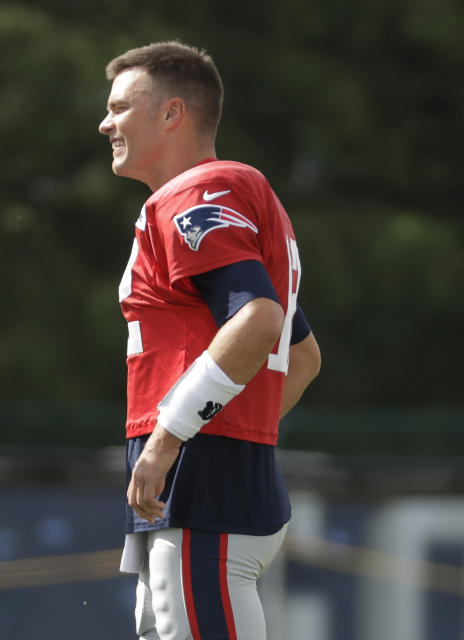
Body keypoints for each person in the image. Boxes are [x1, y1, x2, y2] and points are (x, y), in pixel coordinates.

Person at [97, 41, 321, 639]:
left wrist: (173, 436)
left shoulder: (194, 194)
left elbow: (259, 321)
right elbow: (302, 358)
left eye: (119, 107)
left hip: (201, 487)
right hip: (218, 476)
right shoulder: (228, 192)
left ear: (172, 113)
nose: (105, 123)